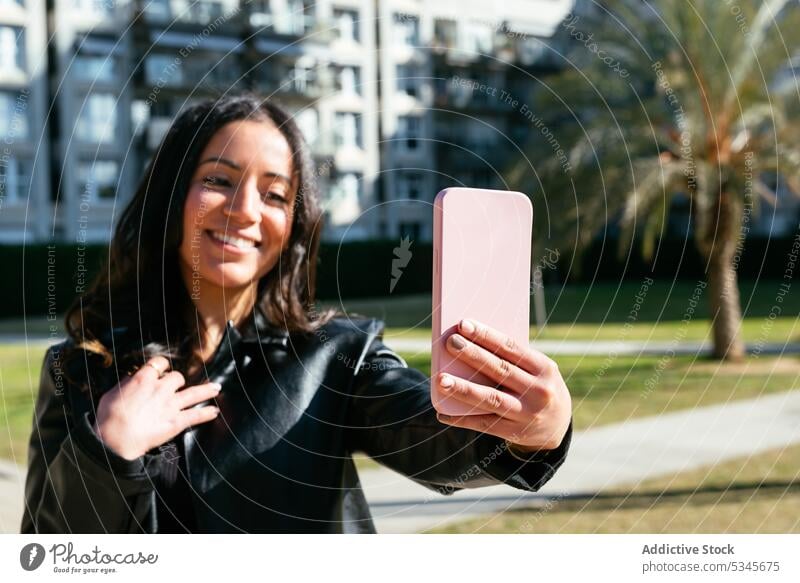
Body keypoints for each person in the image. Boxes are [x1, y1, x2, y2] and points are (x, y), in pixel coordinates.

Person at [20, 94, 573, 534]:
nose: (244, 211)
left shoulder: (334, 354)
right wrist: (106, 450)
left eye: (276, 195)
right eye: (218, 180)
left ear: (294, 225)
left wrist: (526, 432)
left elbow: (432, 436)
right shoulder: (78, 370)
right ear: (173, 196)